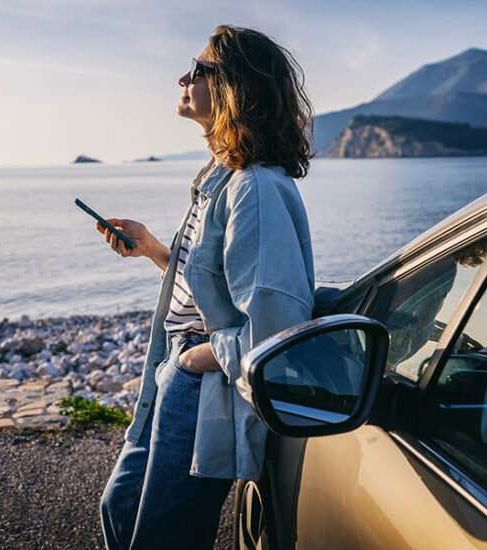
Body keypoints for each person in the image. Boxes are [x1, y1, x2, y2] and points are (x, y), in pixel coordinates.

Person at [96, 25, 315, 550]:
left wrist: (196, 359)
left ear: (233, 86)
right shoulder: (221, 176)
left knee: (163, 539)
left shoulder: (255, 188)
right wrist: (152, 249)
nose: (182, 78)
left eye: (196, 70)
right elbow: (215, 289)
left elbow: (279, 328)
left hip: (201, 386)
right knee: (120, 510)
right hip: (177, 373)